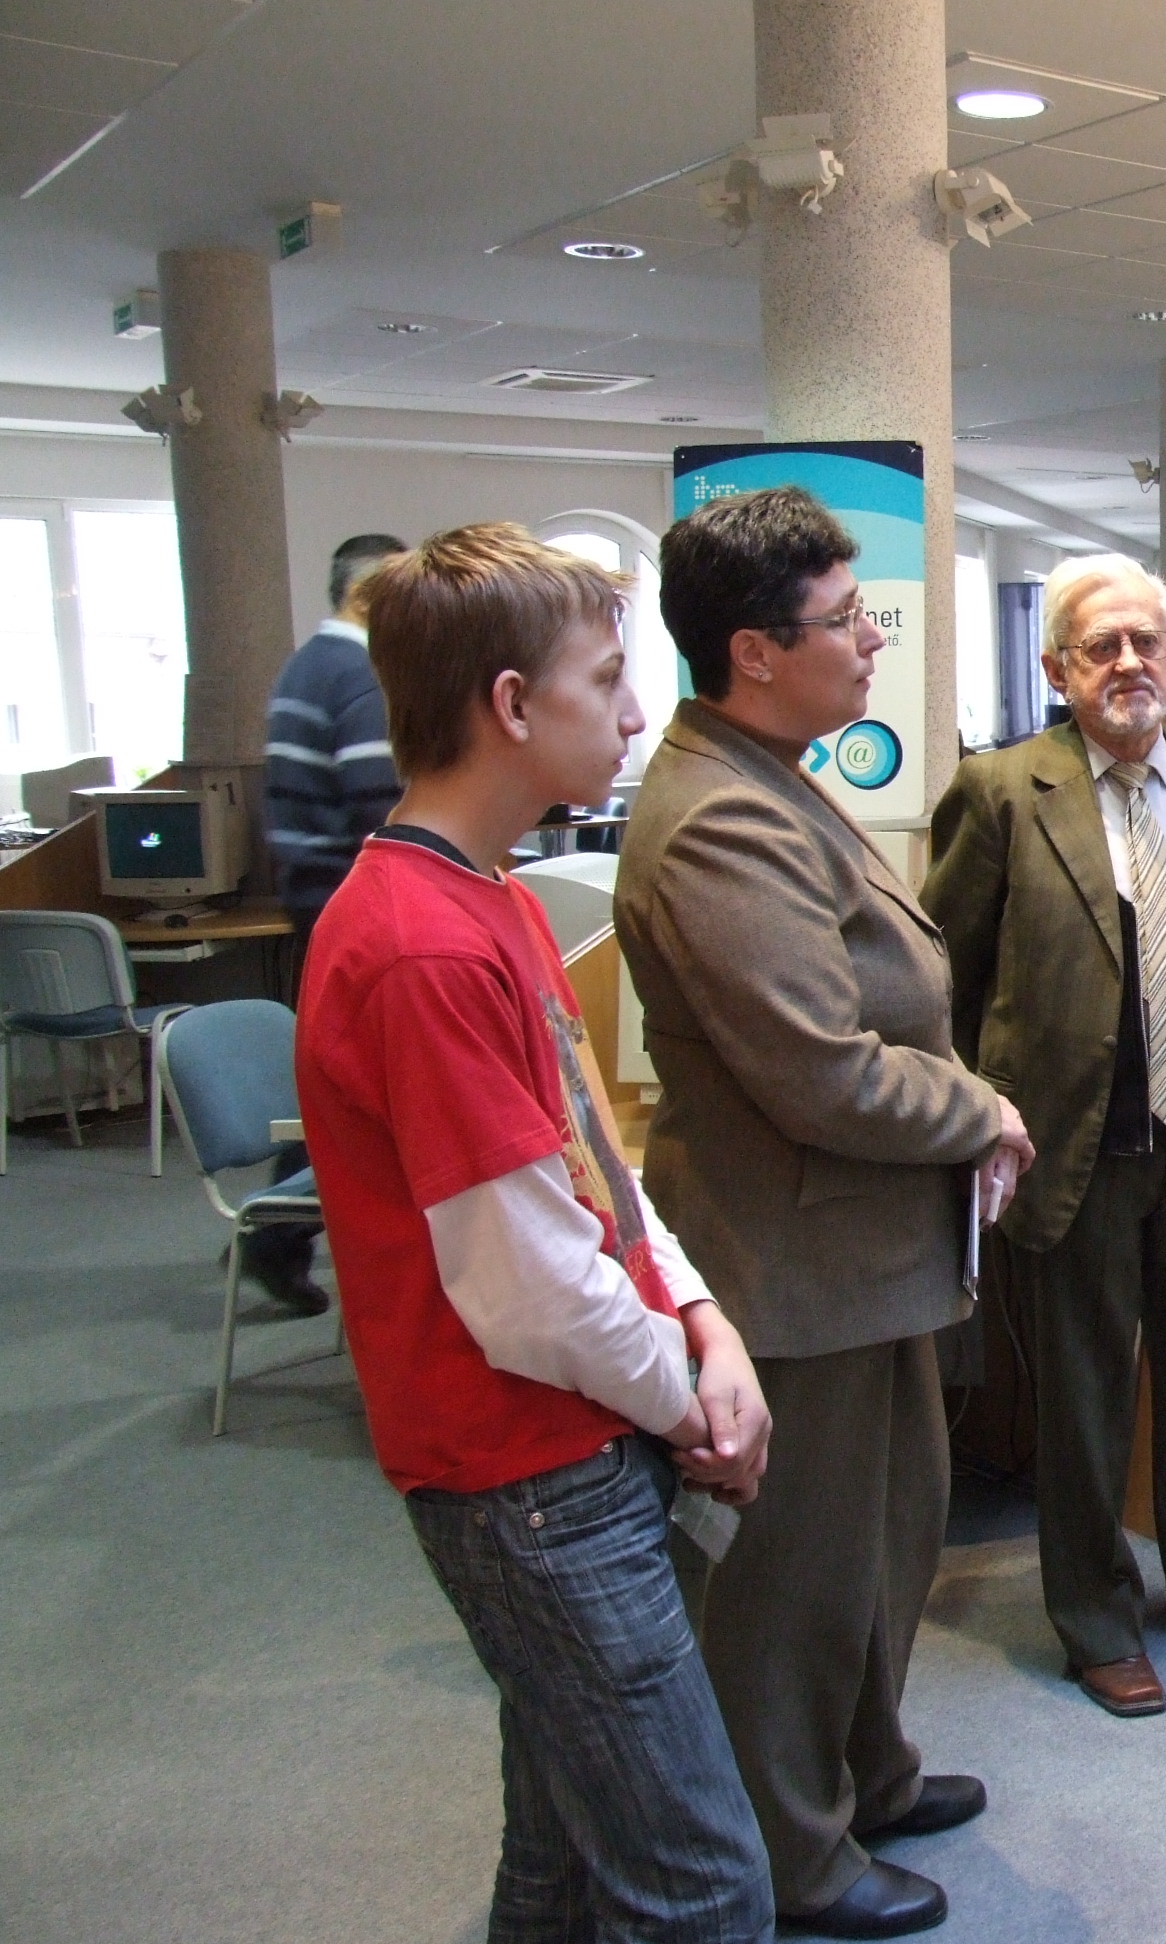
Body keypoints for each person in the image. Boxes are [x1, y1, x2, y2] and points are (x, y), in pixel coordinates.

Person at [293, 523, 775, 1943]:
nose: (633, 715)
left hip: (577, 1439)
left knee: (566, 1862)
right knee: (703, 1890)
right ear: (511, 703)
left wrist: (706, 1323)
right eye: (606, 680)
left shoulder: (488, 894)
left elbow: (594, 1172)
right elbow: (529, 1288)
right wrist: (695, 1403)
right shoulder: (422, 944)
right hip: (528, 1473)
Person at [618, 486, 1030, 1941]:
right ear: (753, 651)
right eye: (845, 620)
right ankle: (793, 1851)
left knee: (886, 1540)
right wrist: (982, 1110)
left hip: (866, 1254)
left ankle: (867, 1773)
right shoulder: (717, 818)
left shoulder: (772, 772)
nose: (871, 641)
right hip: (795, 1264)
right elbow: (818, 1069)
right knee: (792, 1580)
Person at [923, 553, 1166, 1719]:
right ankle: (1096, 1619)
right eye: (1102, 646)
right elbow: (947, 975)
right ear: (1059, 669)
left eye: (1147, 642)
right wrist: (979, 1115)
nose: (1128, 663)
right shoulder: (1002, 790)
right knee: (1086, 1395)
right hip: (1078, 1141)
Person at [249, 531, 405, 1314]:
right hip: (357, 903)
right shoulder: (360, 674)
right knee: (354, 1086)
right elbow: (386, 803)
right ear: (370, 597)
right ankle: (276, 1233)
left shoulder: (305, 665)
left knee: (340, 1077)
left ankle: (275, 1231)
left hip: (316, 897)